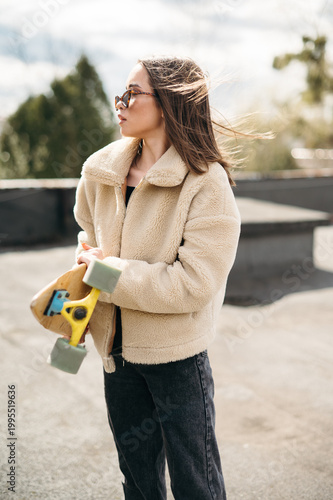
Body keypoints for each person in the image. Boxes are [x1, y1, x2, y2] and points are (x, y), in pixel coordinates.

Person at [74, 56, 241, 500]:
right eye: (120, 93)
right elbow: (88, 233)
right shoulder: (100, 170)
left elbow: (192, 284)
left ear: (167, 104)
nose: (120, 103)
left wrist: (105, 274)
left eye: (133, 94)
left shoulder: (206, 183)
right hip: (116, 353)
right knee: (139, 482)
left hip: (177, 361)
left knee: (196, 484)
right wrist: (86, 257)